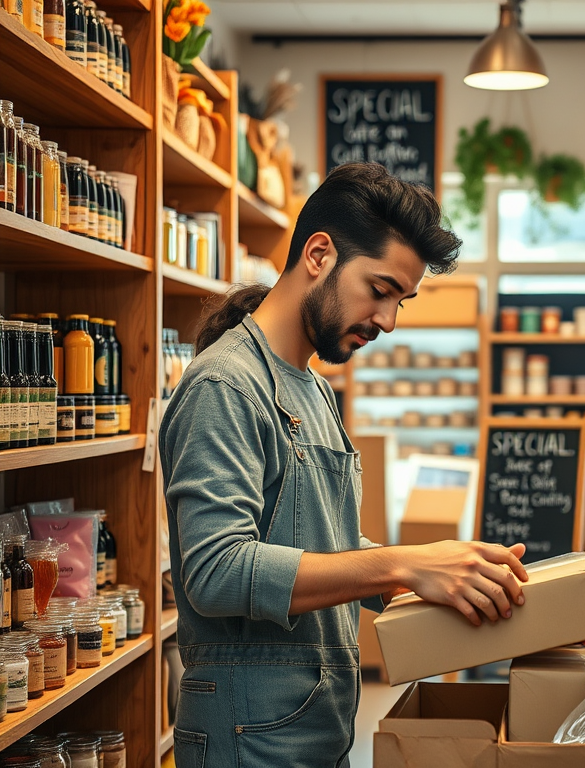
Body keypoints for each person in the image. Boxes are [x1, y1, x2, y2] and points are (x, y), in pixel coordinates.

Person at [160, 163, 528, 768]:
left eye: (400, 301)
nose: (387, 320)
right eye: (379, 290)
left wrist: (432, 582)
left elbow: (320, 542)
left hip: (313, 726)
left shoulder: (311, 388)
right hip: (247, 737)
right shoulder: (225, 386)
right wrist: (404, 561)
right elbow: (215, 570)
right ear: (319, 254)